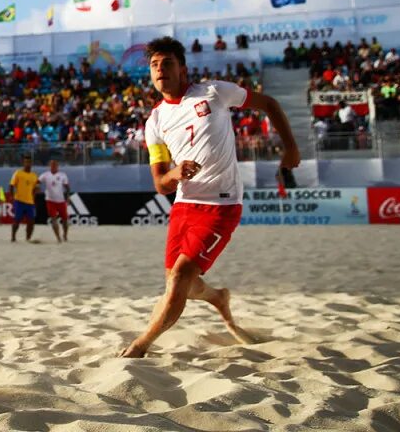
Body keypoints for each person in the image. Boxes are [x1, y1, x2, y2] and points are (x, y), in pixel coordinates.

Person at [121, 36, 299, 358]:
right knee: (181, 285)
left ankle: (140, 346)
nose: (160, 70)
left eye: (167, 63)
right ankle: (217, 297)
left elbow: (269, 104)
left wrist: (291, 147)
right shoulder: (155, 122)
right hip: (184, 205)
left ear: (183, 69)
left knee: (178, 281)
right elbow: (161, 184)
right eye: (154, 65)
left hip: (221, 203)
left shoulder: (214, 92)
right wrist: (175, 174)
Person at [38, 159, 71, 243]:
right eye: (51, 165)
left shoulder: (62, 175)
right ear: (50, 166)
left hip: (61, 200)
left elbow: (67, 187)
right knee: (53, 219)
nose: (53, 167)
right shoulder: (45, 175)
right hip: (50, 200)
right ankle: (58, 237)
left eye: (55, 165)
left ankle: (65, 235)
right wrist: (37, 187)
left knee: (65, 219)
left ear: (57, 166)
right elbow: (37, 182)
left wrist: (68, 196)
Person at [9, 155, 39, 242]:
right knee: (17, 220)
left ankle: (28, 238)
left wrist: (34, 198)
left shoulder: (34, 175)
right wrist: (11, 196)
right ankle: (13, 237)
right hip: (19, 200)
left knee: (31, 222)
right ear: (23, 163)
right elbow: (11, 185)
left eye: (29, 162)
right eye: (26, 162)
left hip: (30, 202)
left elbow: (35, 189)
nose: (27, 164)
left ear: (31, 163)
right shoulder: (18, 173)